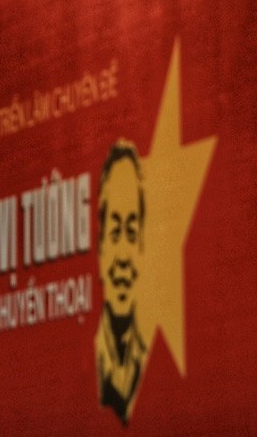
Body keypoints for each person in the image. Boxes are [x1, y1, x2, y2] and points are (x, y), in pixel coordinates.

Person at [94, 139, 147, 426]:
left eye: (132, 231)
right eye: (115, 231)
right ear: (100, 247)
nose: (124, 256)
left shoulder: (148, 355)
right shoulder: (91, 358)